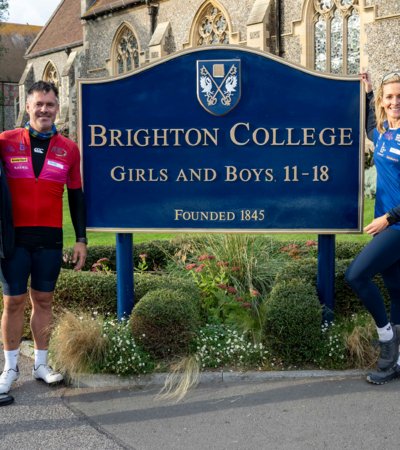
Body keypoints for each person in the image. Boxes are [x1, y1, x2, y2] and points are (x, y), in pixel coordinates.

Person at [0, 81, 87, 394]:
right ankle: (9, 369)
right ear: (27, 106)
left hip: (49, 238)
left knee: (44, 300)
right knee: (13, 302)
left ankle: (40, 365)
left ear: (57, 108)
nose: (44, 110)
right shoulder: (6, 141)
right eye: (38, 104)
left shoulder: (69, 149)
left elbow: (76, 196)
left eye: (50, 105)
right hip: (13, 239)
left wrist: (81, 239)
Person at [346, 70, 400, 385]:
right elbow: (368, 126)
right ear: (383, 101)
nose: (395, 102)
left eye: (399, 97)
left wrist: (388, 218)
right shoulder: (383, 132)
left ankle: (386, 341)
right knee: (396, 290)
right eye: (389, 97)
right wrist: (366, 93)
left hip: (395, 226)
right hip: (387, 226)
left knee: (356, 274)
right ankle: (395, 362)